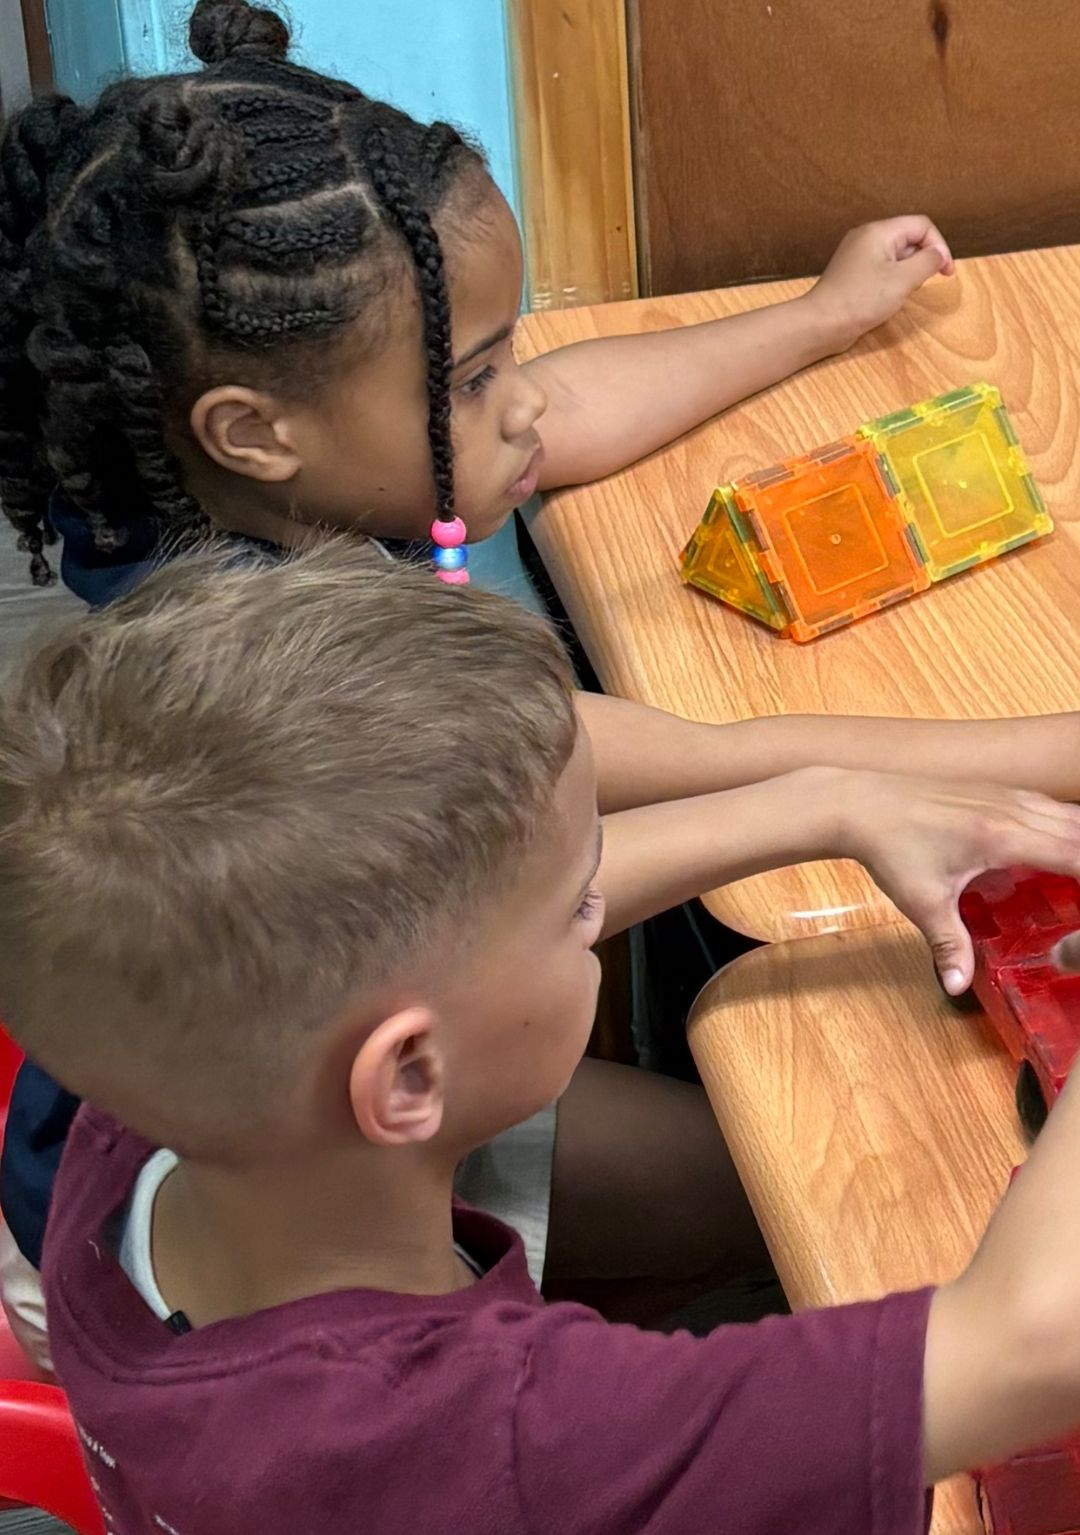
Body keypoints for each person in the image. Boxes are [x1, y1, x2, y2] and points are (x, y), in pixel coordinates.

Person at [7, 0, 1080, 1367]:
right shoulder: (274, 678)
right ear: (256, 428)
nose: (520, 404)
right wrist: (1032, 749)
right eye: (473, 378)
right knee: (787, 1189)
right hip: (216, 1221)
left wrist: (818, 316)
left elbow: (559, 414)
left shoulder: (238, 479)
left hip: (306, 1065)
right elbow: (643, 782)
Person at [4, 540, 1080, 1535]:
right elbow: (1029, 1345)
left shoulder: (132, 1120)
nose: (598, 909)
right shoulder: (515, 1435)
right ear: (409, 1074)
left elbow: (453, 942)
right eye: (579, 908)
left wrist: (827, 806)